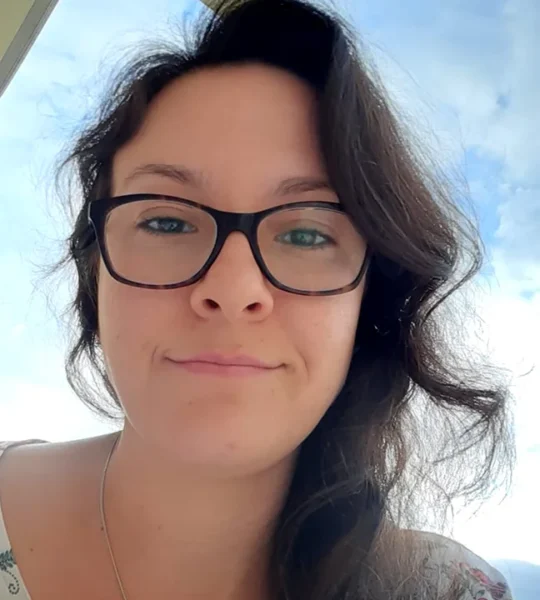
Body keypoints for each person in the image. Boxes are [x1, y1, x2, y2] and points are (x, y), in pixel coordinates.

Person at [0, 0, 515, 598]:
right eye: (167, 222)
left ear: (368, 302)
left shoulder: (446, 590)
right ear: (95, 270)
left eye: (306, 234)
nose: (232, 290)